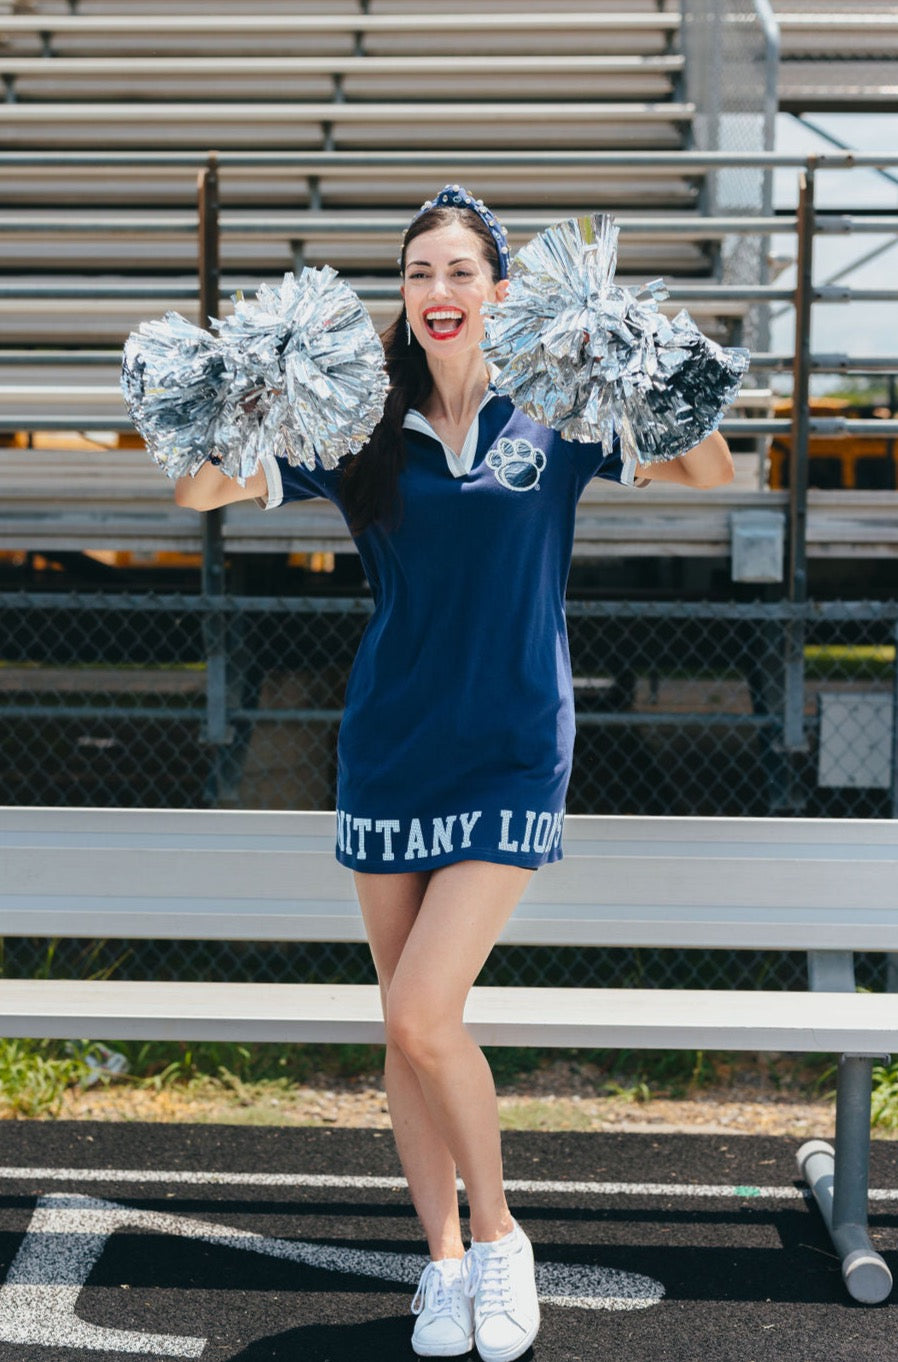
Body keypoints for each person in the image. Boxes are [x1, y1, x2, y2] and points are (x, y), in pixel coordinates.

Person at [174, 185, 734, 1360]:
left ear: (499, 290)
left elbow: (712, 475)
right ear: (403, 293)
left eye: (459, 272)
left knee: (426, 1008)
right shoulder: (362, 426)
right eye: (419, 272)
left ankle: (500, 1239)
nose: (438, 291)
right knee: (405, 1026)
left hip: (517, 747)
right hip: (390, 747)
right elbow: (195, 492)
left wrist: (643, 357)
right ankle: (438, 1265)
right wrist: (249, 395)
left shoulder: (556, 414)